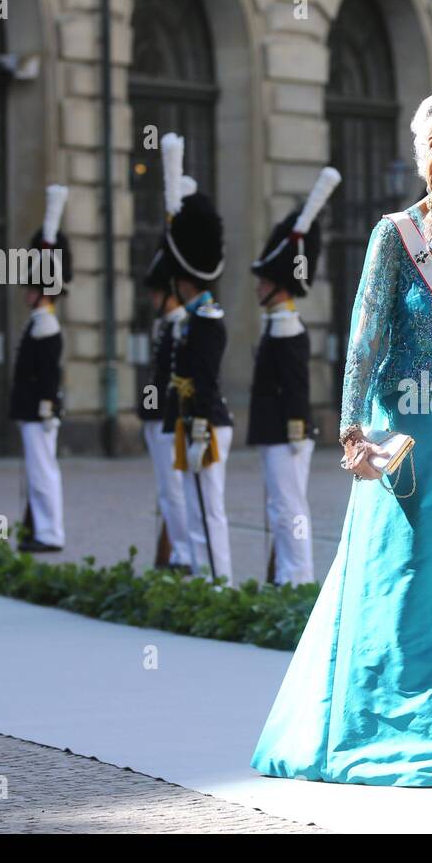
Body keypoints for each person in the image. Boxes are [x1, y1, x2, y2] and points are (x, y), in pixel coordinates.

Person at [251, 89, 432, 786]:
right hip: (409, 446)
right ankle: (386, 731)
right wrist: (353, 429)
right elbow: (364, 339)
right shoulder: (395, 235)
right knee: (404, 585)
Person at [248, 165, 341, 586]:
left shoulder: (285, 327)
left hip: (286, 432)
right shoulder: (276, 323)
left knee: (289, 509)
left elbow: (296, 390)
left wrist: (292, 429)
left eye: (264, 281)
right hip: (279, 432)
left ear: (279, 285)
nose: (257, 289)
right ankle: (287, 575)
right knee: (280, 508)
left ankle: (297, 578)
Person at [160, 188, 233, 583]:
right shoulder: (192, 319)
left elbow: (203, 380)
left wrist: (200, 430)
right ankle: (205, 579)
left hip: (206, 424)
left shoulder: (205, 320)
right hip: (192, 423)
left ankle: (219, 584)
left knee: (207, 509)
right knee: (194, 508)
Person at [140, 135, 196, 574]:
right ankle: (176, 550)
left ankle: (181, 552)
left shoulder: (187, 322)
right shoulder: (170, 323)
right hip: (162, 415)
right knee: (167, 490)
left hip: (174, 417)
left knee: (175, 490)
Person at [10, 185, 69, 553]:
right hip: (31, 408)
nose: (26, 292)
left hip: (39, 409)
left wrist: (46, 405)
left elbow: (48, 372)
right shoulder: (37, 321)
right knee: (36, 473)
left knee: (44, 472)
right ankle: (40, 528)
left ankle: (50, 532)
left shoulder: (46, 324)